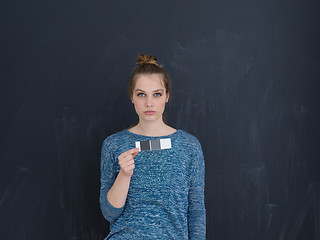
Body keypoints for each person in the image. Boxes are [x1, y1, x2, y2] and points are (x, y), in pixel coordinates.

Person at [100, 54, 206, 239]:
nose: (149, 103)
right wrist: (124, 175)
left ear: (167, 96)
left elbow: (196, 212)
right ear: (132, 97)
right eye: (141, 94)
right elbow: (109, 214)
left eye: (157, 94)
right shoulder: (113, 145)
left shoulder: (189, 146)